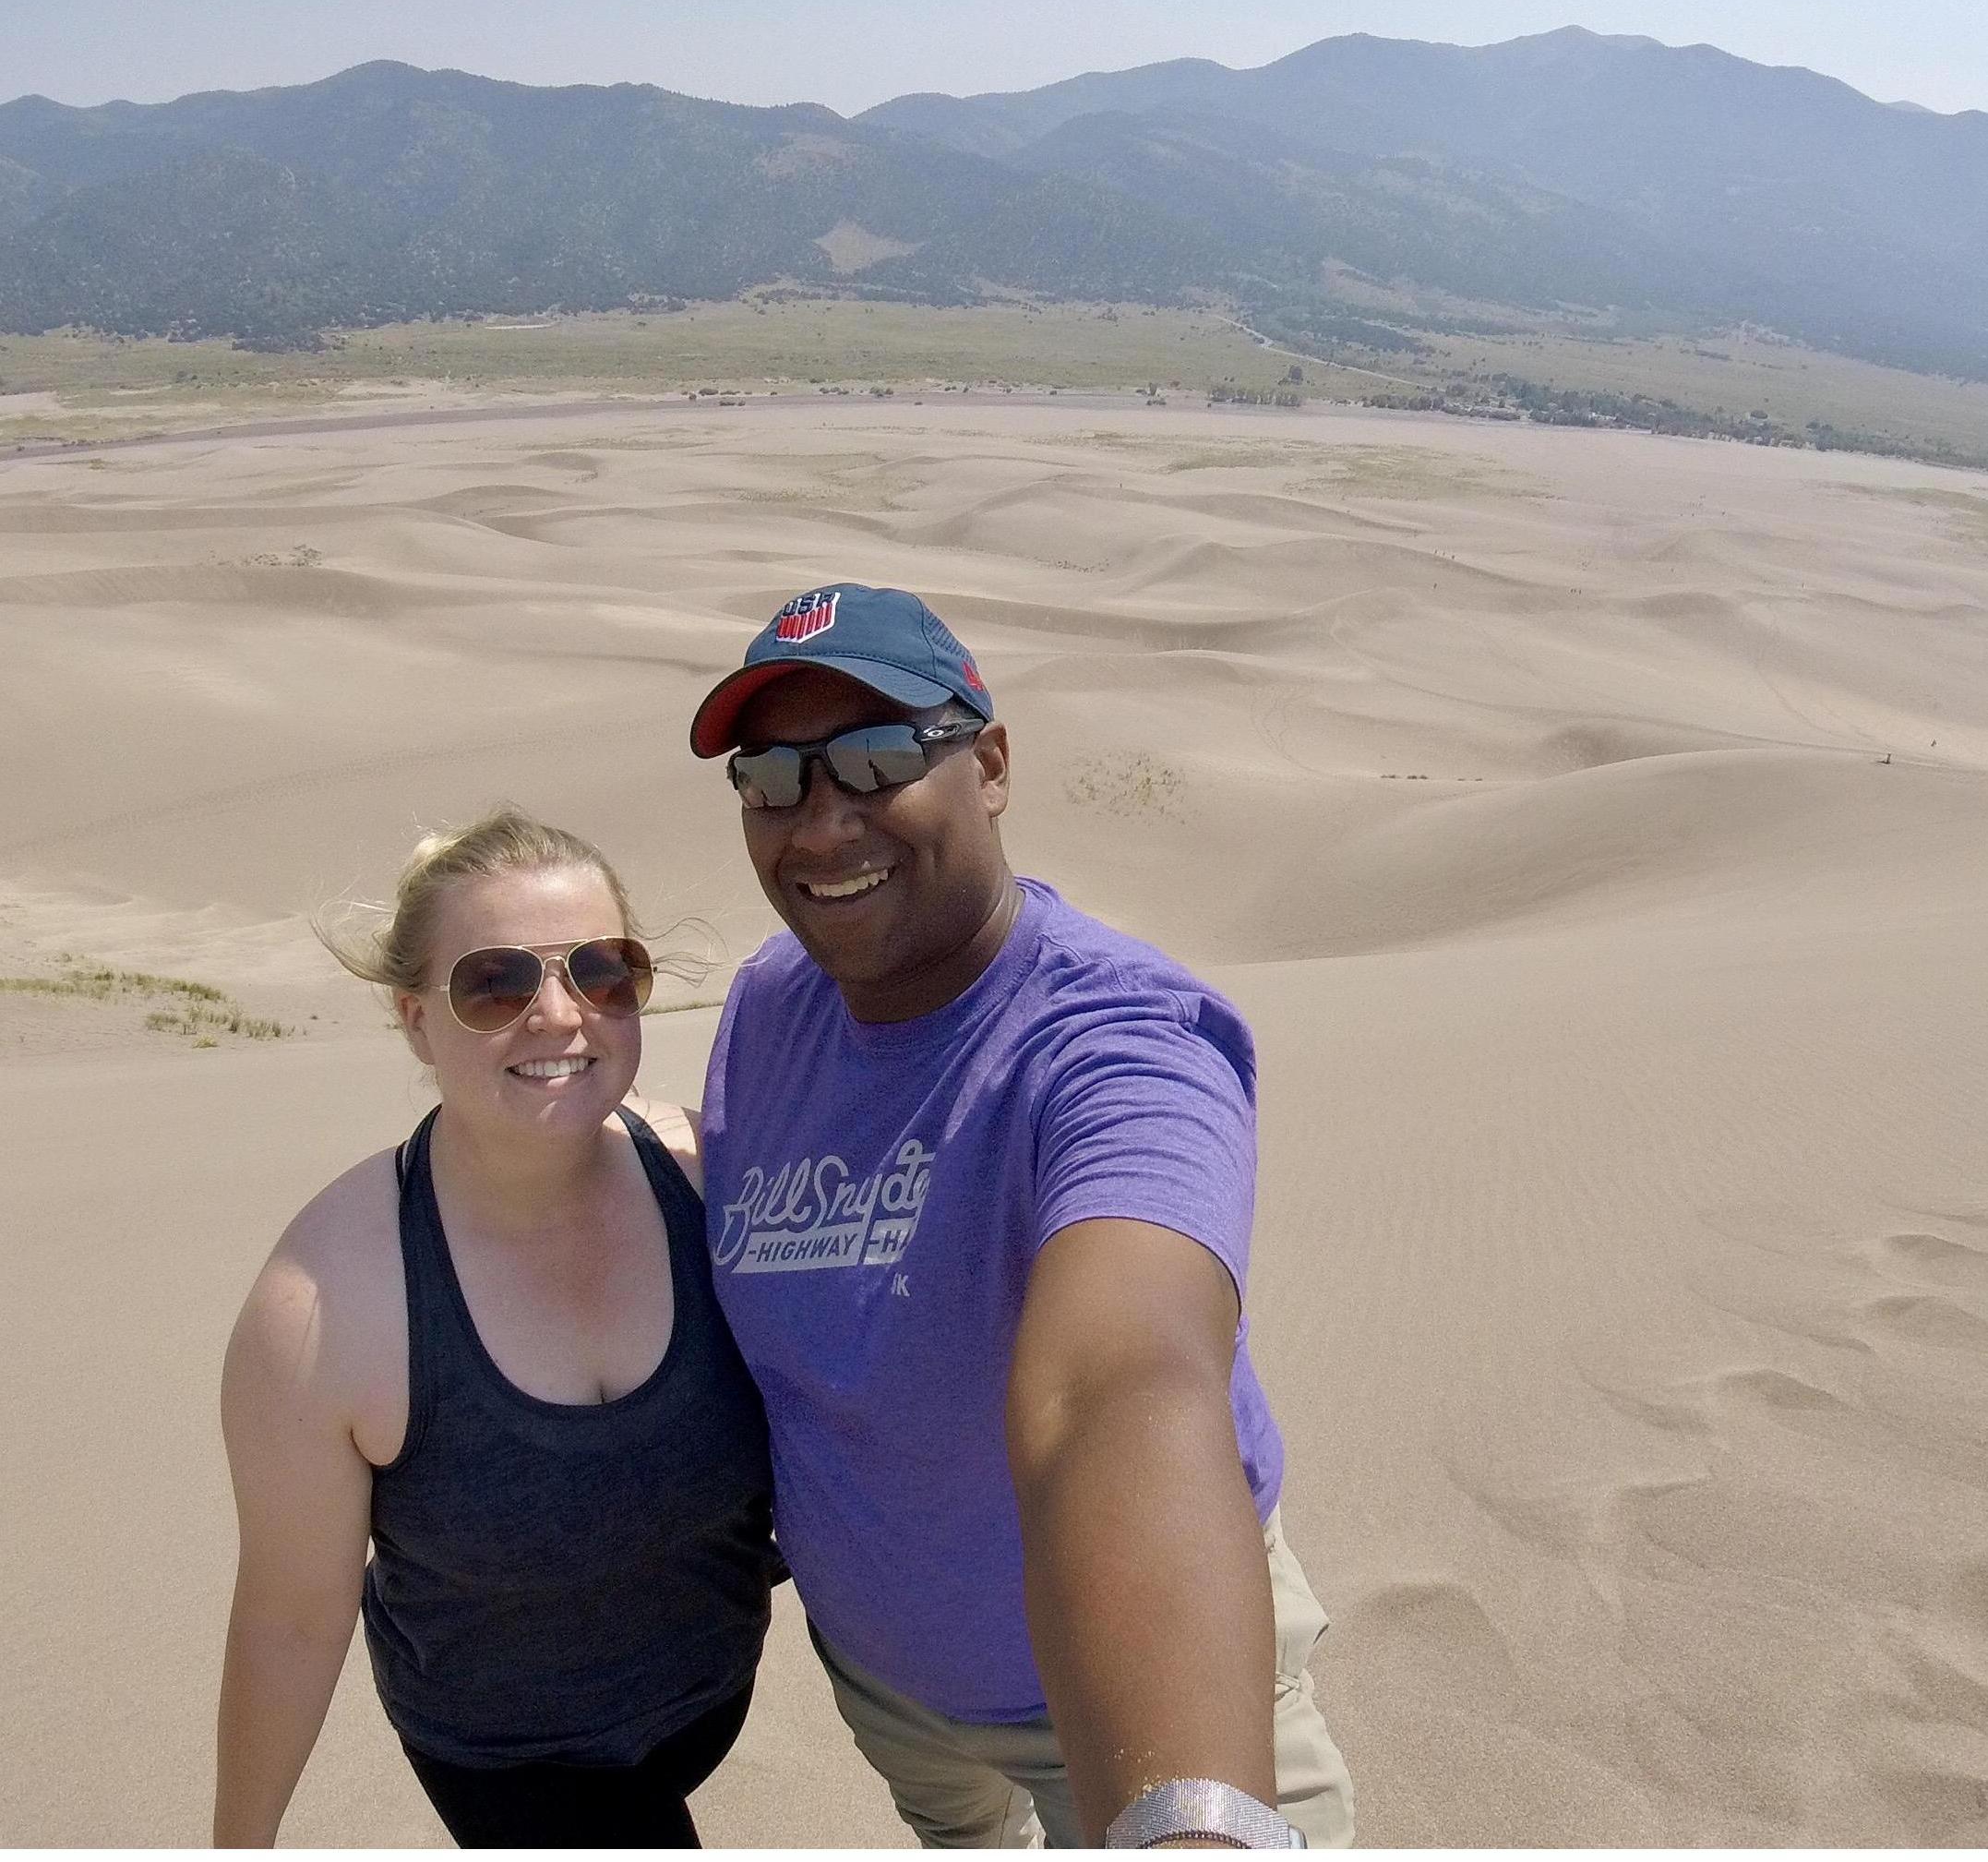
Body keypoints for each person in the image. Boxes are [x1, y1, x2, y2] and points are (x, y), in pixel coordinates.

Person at [688, 584, 1355, 1849]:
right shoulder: (772, 1005)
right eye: (771, 779)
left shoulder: (1117, 1045)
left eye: (877, 760)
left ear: (987, 764)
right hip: (888, 1696)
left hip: (1121, 1711)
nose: (819, 825)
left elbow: (1121, 1387)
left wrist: (1190, 1821)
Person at [213, 810, 778, 1849]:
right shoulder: (327, 1306)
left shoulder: (715, 1184)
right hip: (507, 1757)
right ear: (417, 1018)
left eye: (603, 970)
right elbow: (291, 1621)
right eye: (495, 983)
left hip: (707, 1700)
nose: (561, 1016)